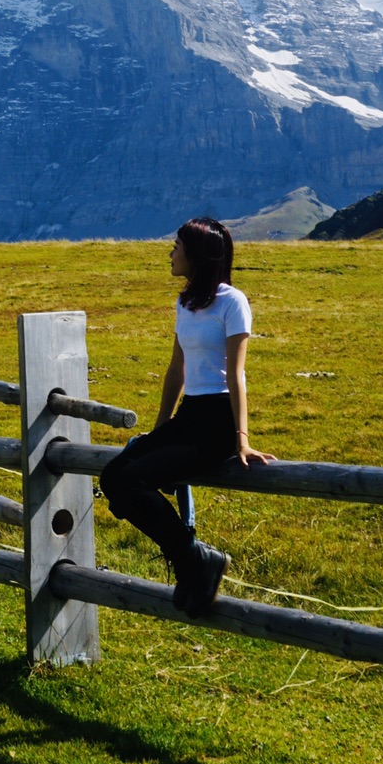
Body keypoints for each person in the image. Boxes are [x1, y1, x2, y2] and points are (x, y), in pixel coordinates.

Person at [100, 215, 275, 617]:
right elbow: (176, 370)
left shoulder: (233, 302)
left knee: (132, 479)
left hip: (216, 423)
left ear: (196, 254)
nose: (171, 253)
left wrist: (241, 439)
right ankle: (194, 558)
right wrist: (159, 430)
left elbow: (236, 374)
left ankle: (190, 562)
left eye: (177, 246)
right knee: (113, 477)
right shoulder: (185, 302)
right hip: (188, 415)